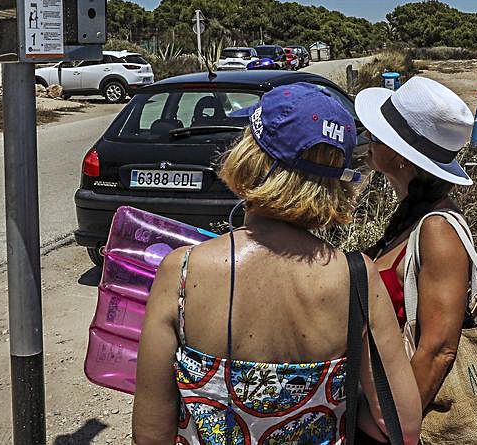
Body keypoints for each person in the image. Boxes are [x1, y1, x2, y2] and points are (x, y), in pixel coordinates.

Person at [133, 82, 422, 445]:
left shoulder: (184, 272)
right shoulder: (358, 277)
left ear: (251, 159)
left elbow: (150, 433)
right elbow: (403, 423)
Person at [354, 76, 476, 428]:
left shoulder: (438, 230)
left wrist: (389, 428)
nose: (369, 137)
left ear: (404, 157)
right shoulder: (414, 216)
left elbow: (439, 350)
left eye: (379, 134)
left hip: (396, 418)